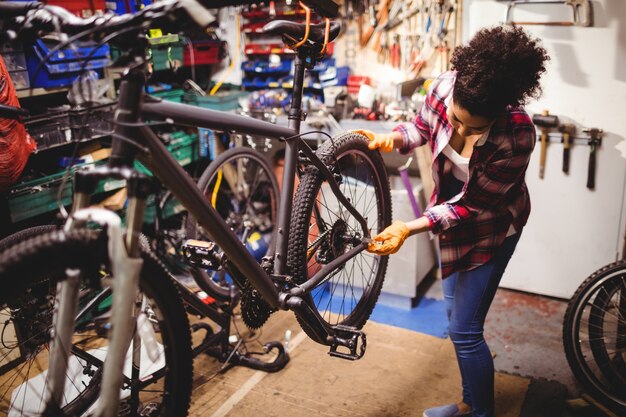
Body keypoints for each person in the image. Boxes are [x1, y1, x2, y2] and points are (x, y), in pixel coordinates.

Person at [356, 26, 549, 417]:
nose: (459, 131)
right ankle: (467, 403)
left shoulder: (518, 134)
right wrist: (390, 138)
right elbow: (422, 128)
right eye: (458, 120)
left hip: (493, 227)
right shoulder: (445, 87)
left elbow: (471, 205)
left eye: (474, 128)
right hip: (448, 220)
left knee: (465, 330)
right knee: (453, 316)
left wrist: (407, 228)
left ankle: (481, 413)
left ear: (499, 112)